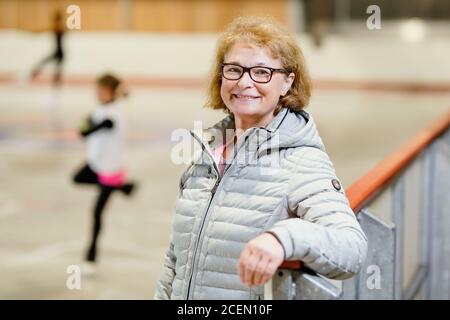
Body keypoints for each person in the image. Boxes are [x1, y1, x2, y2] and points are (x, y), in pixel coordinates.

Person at [155, 16, 367, 300]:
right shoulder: (208, 152)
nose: (244, 82)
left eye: (262, 72)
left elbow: (350, 247)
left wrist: (282, 237)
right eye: (234, 70)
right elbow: (176, 257)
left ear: (287, 83)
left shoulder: (299, 159)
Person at [73, 73, 135, 267]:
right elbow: (88, 124)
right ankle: (123, 188)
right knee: (77, 178)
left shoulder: (113, 113)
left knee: (97, 212)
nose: (97, 94)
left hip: (110, 169)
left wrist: (88, 127)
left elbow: (104, 124)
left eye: (100, 90)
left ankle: (91, 254)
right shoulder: (104, 108)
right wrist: (87, 124)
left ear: (109, 92)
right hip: (96, 164)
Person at [30, 10, 65, 87]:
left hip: (59, 52)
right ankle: (55, 82)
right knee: (55, 67)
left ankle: (56, 82)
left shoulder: (59, 27)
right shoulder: (59, 27)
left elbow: (48, 29)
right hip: (58, 52)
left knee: (56, 68)